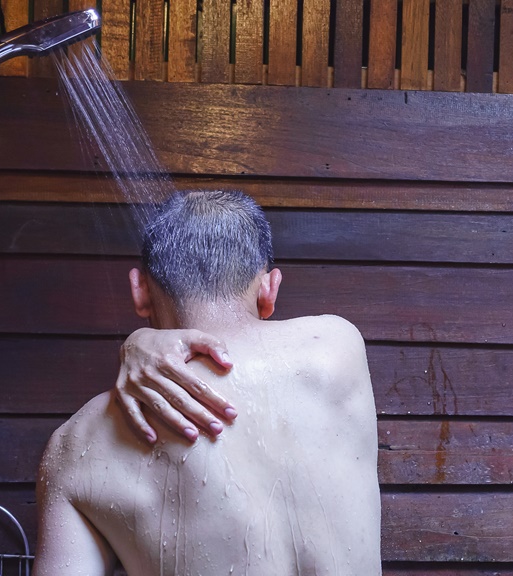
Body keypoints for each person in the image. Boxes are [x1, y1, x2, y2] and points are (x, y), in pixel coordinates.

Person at [34, 190, 382, 575]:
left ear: (139, 291)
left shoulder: (77, 445)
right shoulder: (336, 346)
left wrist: (135, 340)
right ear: (269, 289)